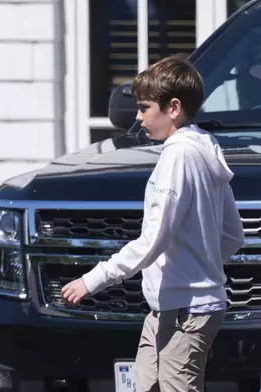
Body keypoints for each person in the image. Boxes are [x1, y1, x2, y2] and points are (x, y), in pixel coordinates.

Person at [61, 54, 245, 391]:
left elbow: (153, 239)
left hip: (186, 311)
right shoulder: (207, 150)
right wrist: (200, 267)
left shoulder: (178, 156)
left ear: (173, 108)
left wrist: (93, 280)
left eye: (144, 108)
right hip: (174, 306)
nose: (138, 117)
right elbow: (233, 234)